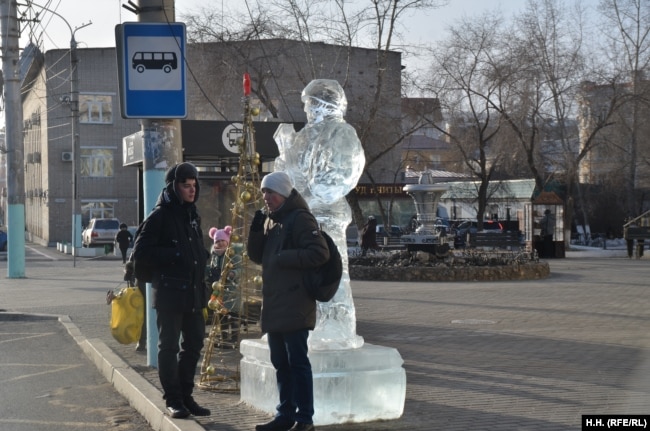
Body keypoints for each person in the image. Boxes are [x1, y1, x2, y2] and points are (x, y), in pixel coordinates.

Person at [273, 79, 365, 350]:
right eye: (306, 104)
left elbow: (332, 182)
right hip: (301, 216)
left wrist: (303, 184)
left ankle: (335, 329)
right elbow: (287, 179)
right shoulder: (304, 136)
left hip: (325, 218)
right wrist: (286, 153)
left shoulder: (342, 134)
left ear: (328, 104)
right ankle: (303, 326)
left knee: (331, 275)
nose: (308, 109)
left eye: (312, 103)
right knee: (299, 280)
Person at [248, 171, 329, 431]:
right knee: (280, 363)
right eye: (263, 192)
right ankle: (285, 414)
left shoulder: (301, 219)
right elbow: (258, 256)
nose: (265, 197)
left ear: (282, 193)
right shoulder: (274, 221)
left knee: (297, 362)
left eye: (269, 192)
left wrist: (285, 257)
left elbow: (319, 252)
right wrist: (256, 229)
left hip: (295, 304)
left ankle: (305, 418)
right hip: (275, 304)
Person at [131, 162, 211, 419]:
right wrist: (176, 254)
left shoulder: (192, 214)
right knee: (168, 347)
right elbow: (140, 253)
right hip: (169, 294)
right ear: (173, 187)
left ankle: (186, 396)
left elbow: (194, 249)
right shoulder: (160, 215)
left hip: (194, 293)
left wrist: (202, 255)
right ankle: (173, 399)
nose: (191, 190)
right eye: (186, 186)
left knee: (195, 343)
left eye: (194, 185)